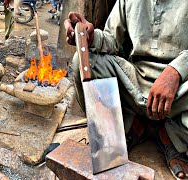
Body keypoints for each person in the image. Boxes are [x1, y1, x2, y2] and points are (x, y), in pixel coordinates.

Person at [64, 0, 188, 179]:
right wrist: (90, 37)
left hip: (182, 87)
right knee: (84, 60)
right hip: (137, 80)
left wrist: (176, 70)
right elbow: (111, 39)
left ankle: (172, 136)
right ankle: (126, 131)